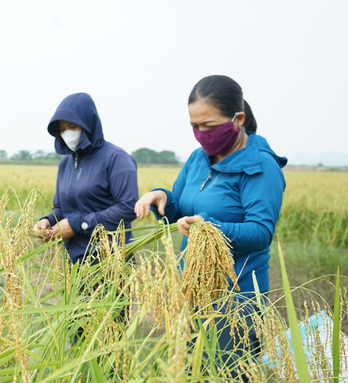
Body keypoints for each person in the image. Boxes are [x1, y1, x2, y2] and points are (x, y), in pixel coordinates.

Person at [134, 75, 287, 375]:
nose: (202, 134)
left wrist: (209, 227)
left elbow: (260, 233)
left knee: (227, 374)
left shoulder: (260, 166)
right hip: (192, 289)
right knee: (191, 372)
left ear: (238, 119)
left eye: (210, 126)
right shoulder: (197, 159)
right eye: (195, 126)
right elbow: (180, 208)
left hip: (235, 298)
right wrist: (160, 197)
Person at [33, 92, 139, 265]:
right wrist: (48, 221)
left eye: (72, 126)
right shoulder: (65, 163)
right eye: (62, 129)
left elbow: (128, 208)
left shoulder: (117, 159)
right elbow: (61, 207)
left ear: (89, 124)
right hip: (74, 259)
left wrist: (78, 225)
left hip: (110, 259)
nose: (67, 133)